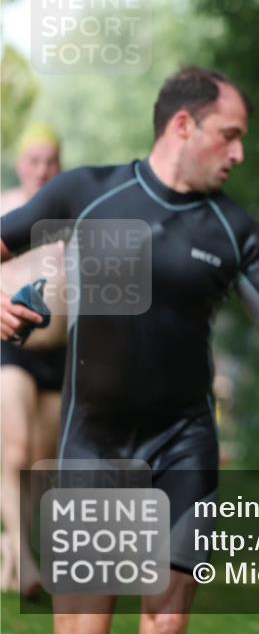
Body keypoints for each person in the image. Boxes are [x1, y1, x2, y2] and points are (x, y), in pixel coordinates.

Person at [0, 66, 259, 634]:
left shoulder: (233, 229)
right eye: (230, 133)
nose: (240, 152)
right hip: (96, 444)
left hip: (183, 443)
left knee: (167, 620)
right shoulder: (89, 193)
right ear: (183, 124)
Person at [0, 123, 66, 596]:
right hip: (10, 350)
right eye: (34, 160)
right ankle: (24, 565)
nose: (42, 170)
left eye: (51, 161)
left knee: (42, 466)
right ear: (21, 164)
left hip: (61, 354)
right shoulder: (4, 208)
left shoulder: (72, 218)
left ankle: (13, 545)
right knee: (15, 450)